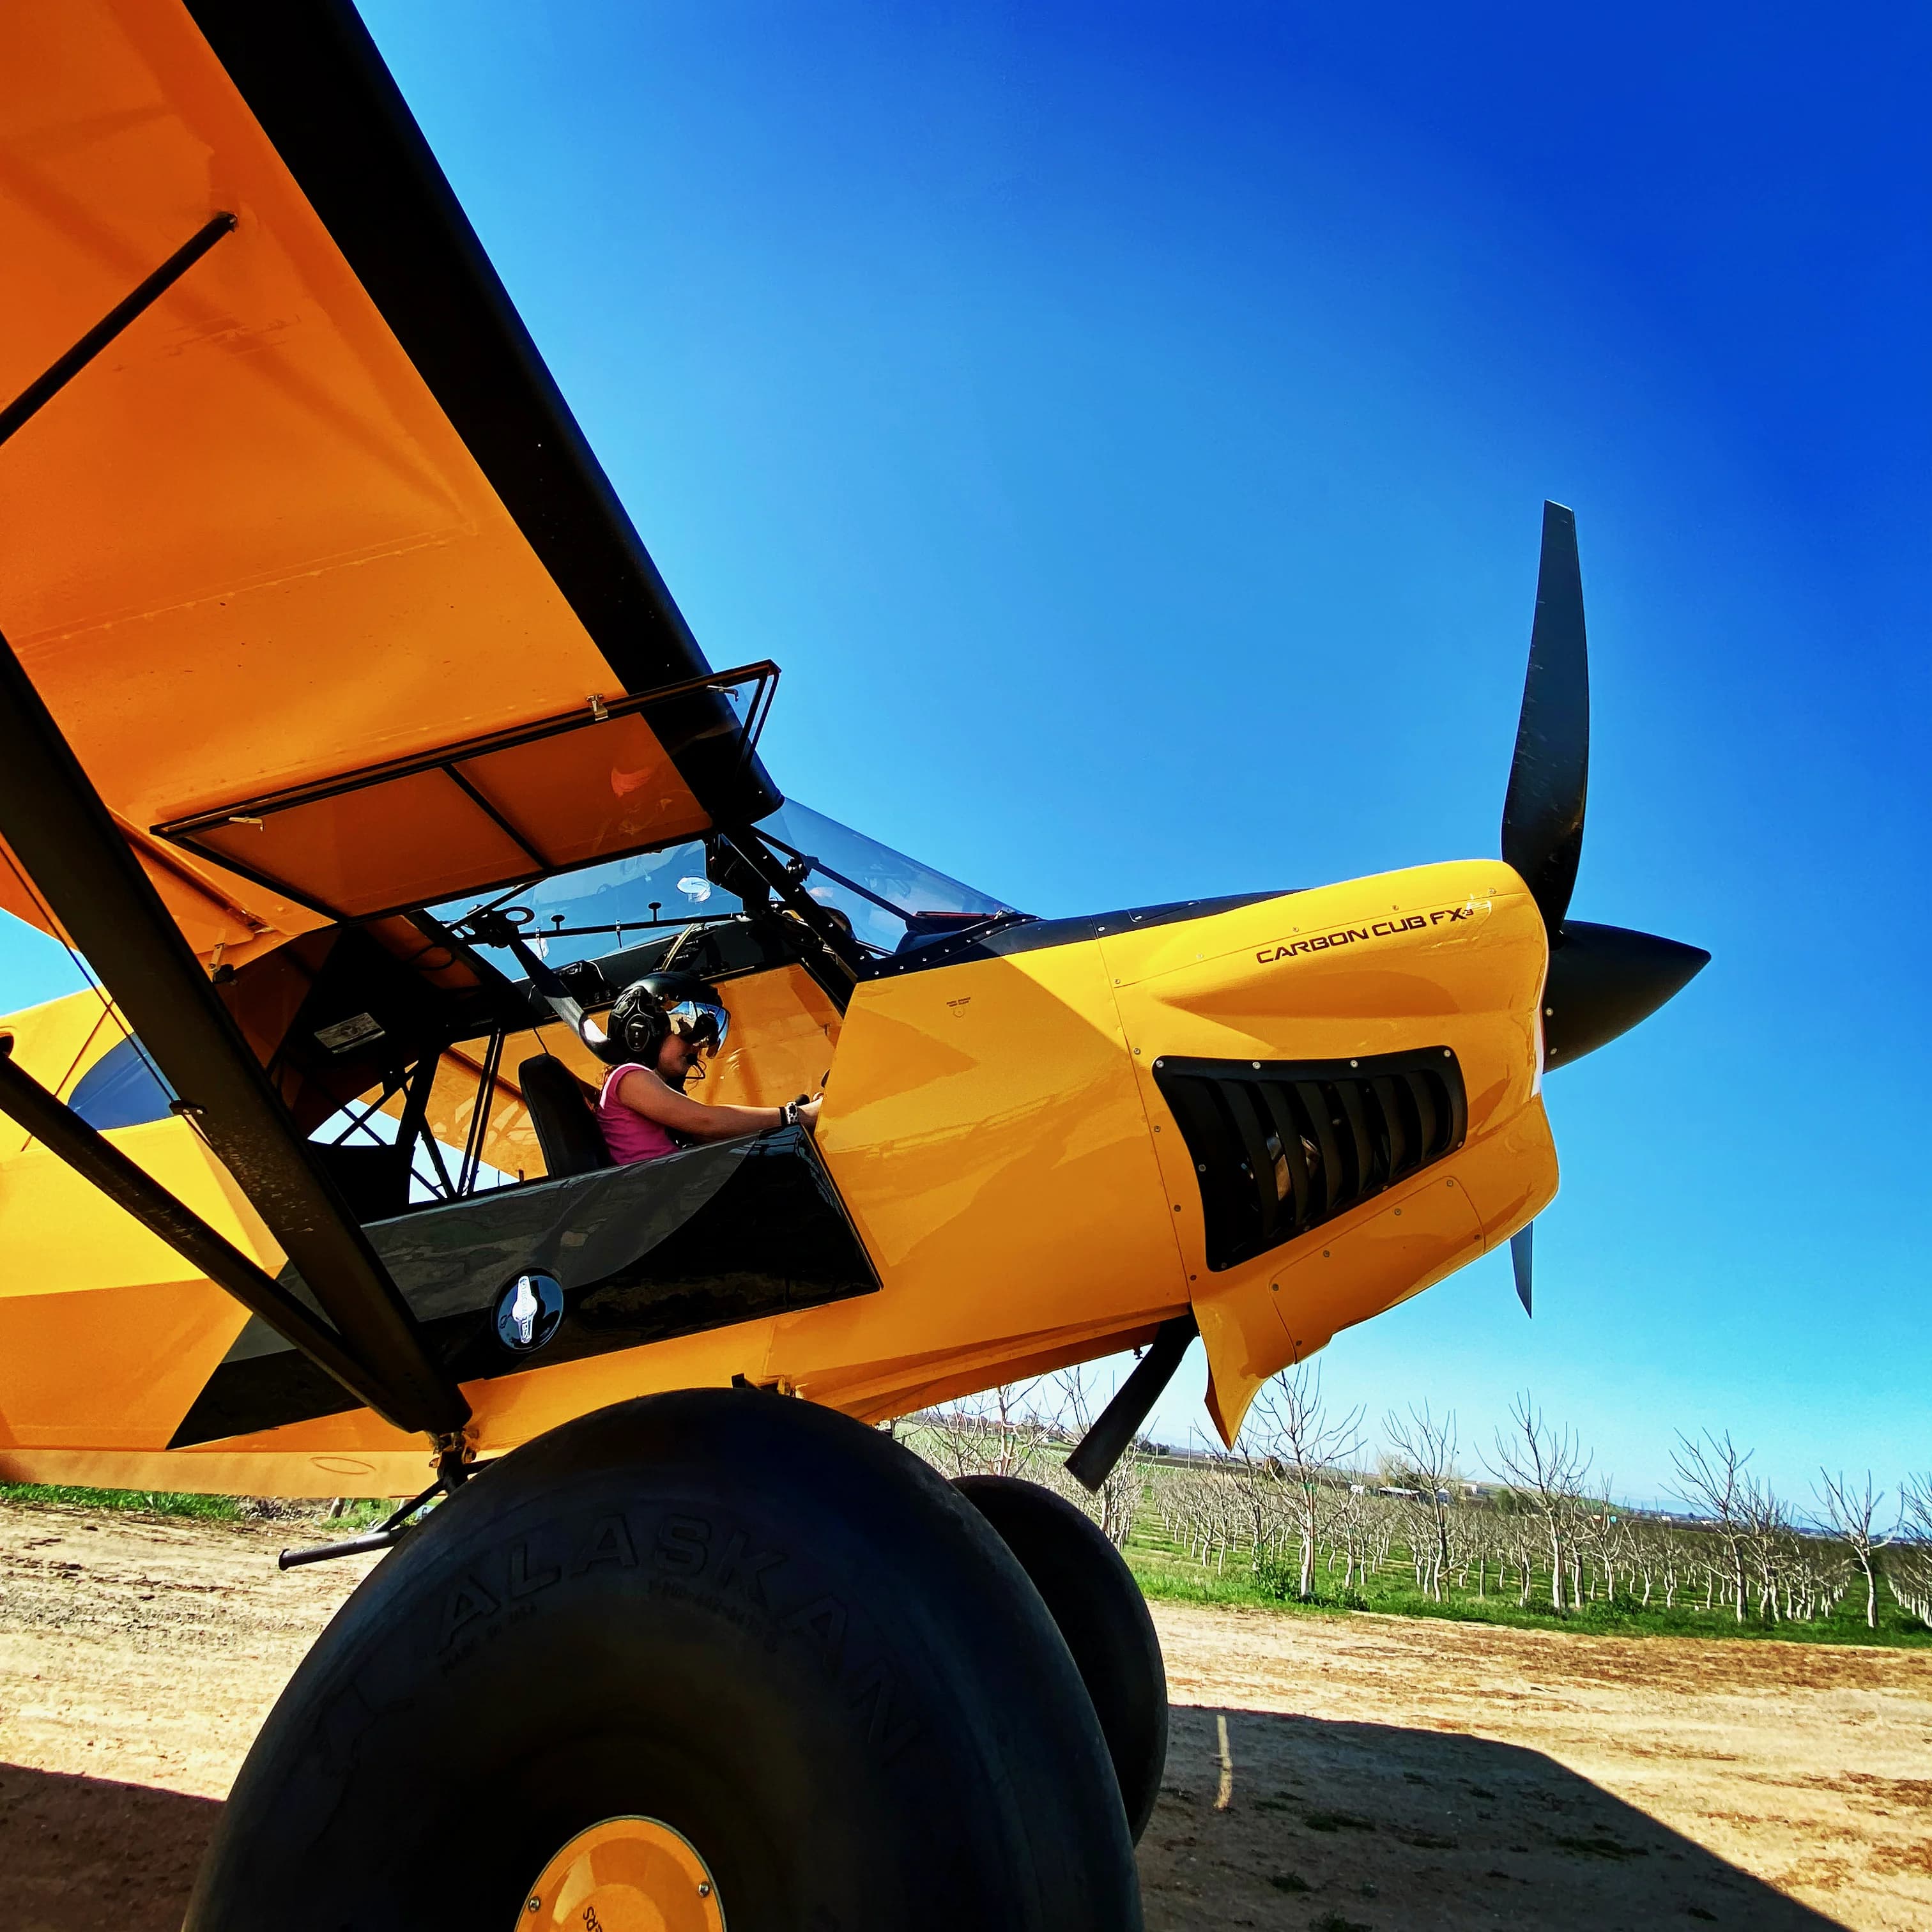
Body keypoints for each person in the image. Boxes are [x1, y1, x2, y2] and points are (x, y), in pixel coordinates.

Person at [594, 971, 821, 1166]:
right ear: (642, 1031)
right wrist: (797, 1115)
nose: (697, 1046)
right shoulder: (628, 1078)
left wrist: (782, 1127)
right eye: (687, 1031)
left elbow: (706, 1136)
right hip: (660, 1198)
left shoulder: (648, 1085)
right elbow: (707, 1123)